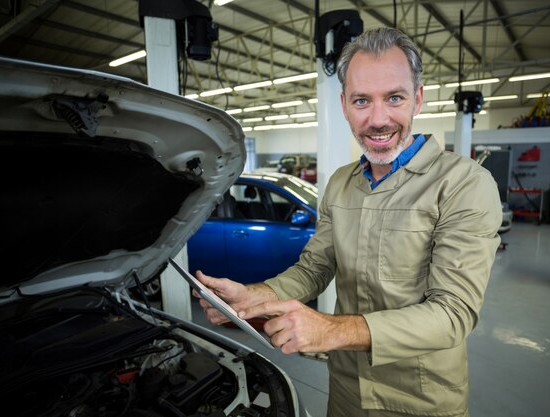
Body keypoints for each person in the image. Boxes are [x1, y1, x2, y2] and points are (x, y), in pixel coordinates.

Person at [196, 27, 501, 417]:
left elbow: (453, 314)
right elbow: (314, 268)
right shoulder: (340, 184)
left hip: (420, 400)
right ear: (343, 105)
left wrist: (330, 330)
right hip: (346, 389)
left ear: (418, 99)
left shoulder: (464, 184)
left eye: (394, 97)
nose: (378, 119)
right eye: (361, 100)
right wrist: (256, 295)